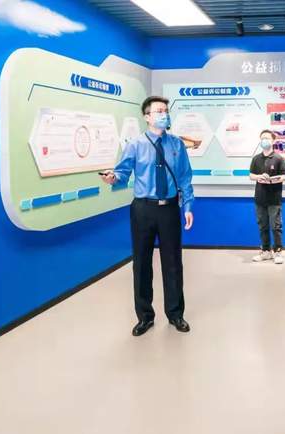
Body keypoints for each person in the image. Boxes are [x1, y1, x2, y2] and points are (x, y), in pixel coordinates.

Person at [100, 96, 195, 336]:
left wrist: (188, 206)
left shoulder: (176, 144)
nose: (164, 114)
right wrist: (113, 178)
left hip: (169, 208)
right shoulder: (135, 144)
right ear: (147, 117)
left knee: (173, 263)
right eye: (159, 111)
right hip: (143, 209)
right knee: (141, 263)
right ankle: (145, 316)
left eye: (166, 110)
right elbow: (122, 172)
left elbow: (185, 177)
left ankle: (175, 314)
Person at [249, 130, 285, 264]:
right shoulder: (256, 158)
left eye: (267, 138)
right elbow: (251, 175)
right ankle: (266, 251)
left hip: (274, 199)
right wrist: (259, 177)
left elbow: (283, 176)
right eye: (262, 138)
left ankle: (278, 252)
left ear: (273, 140)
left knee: (276, 226)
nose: (264, 140)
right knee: (262, 226)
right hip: (260, 199)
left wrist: (271, 179)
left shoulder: (278, 158)